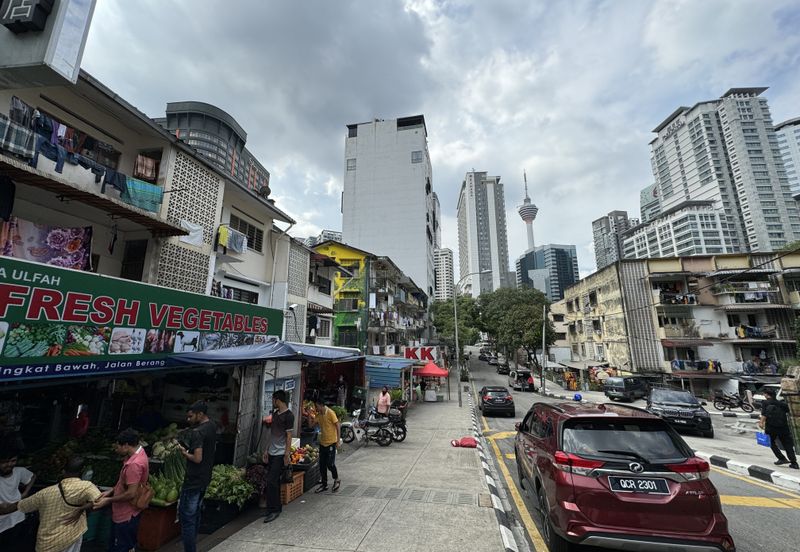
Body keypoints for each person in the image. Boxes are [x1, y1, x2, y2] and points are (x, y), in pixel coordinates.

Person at [0, 456, 101, 552]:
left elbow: (17, 506)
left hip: (47, 544)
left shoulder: (44, 493)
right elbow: (100, 501)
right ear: (83, 471)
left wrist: (4, 509)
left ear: (62, 471)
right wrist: (82, 508)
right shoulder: (86, 487)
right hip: (70, 537)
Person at [95, 429, 149, 552]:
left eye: (118, 446)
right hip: (131, 513)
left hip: (126, 515)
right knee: (127, 546)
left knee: (121, 547)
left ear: (126, 445)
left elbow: (131, 493)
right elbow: (124, 483)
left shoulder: (134, 465)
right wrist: (111, 491)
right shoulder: (140, 453)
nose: (116, 449)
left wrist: (108, 500)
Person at [177, 402, 217, 552]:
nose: (188, 419)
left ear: (200, 414)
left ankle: (189, 549)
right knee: (196, 513)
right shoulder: (212, 426)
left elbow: (197, 458)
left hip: (193, 479)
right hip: (205, 477)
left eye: (191, 416)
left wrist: (184, 453)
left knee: (187, 518)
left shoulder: (198, 432)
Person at [263, 390, 294, 524]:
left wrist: (287, 454)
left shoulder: (289, 416)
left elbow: (289, 436)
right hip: (272, 452)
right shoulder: (275, 415)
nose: (272, 402)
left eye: (273, 399)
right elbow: (272, 434)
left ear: (278, 400)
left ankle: (275, 509)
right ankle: (271, 508)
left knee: (272, 481)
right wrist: (266, 450)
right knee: (271, 481)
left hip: (281, 453)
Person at [0, 444, 35, 545]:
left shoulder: (19, 471)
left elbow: (32, 477)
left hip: (18, 519)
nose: (9, 464)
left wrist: (25, 493)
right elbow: (3, 510)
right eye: (4, 462)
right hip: (2, 524)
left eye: (13, 461)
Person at [759, 389, 798, 469]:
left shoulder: (765, 403)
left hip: (771, 427)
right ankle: (794, 463)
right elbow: (788, 412)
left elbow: (764, 414)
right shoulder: (782, 403)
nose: (764, 396)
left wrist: (761, 422)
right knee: (787, 444)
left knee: (771, 442)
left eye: (764, 394)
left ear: (767, 395)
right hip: (784, 427)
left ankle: (781, 458)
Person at [311, 397, 341, 493]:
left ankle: (336, 479)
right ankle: (324, 484)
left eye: (317, 406)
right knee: (322, 465)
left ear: (321, 405)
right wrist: (308, 414)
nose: (316, 408)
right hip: (323, 443)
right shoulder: (319, 415)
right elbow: (311, 425)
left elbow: (338, 426)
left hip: (331, 442)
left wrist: (337, 441)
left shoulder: (330, 413)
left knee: (330, 463)